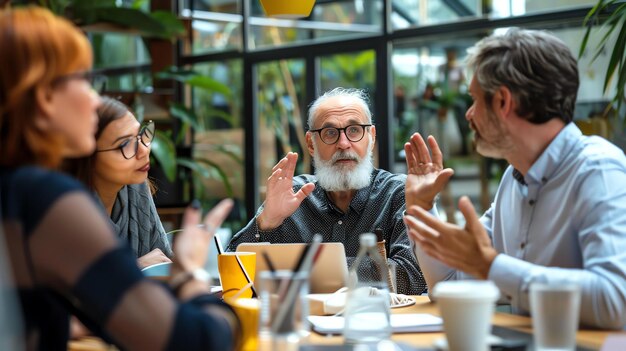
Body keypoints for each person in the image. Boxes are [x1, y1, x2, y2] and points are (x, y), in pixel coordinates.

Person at [0, 6, 239, 350]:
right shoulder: (42, 198)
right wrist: (189, 274)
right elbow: (196, 341)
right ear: (42, 97)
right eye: (82, 79)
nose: (95, 98)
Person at [403, 28, 626, 329]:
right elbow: (449, 283)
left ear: (503, 102)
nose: (468, 114)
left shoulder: (597, 171)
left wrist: (491, 266)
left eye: (474, 100)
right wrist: (421, 205)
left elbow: (616, 299)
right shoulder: (514, 177)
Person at [228, 87, 426, 295]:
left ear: (371, 137)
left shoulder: (398, 193)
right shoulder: (293, 195)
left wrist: (310, 269)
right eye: (330, 133)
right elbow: (235, 276)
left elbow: (412, 277)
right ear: (311, 144)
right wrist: (266, 222)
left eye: (354, 130)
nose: (343, 144)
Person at [64, 96, 172, 268]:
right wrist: (133, 269)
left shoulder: (135, 187)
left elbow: (164, 263)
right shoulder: (67, 211)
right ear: (87, 158)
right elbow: (69, 290)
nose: (144, 150)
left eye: (140, 135)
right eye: (124, 145)